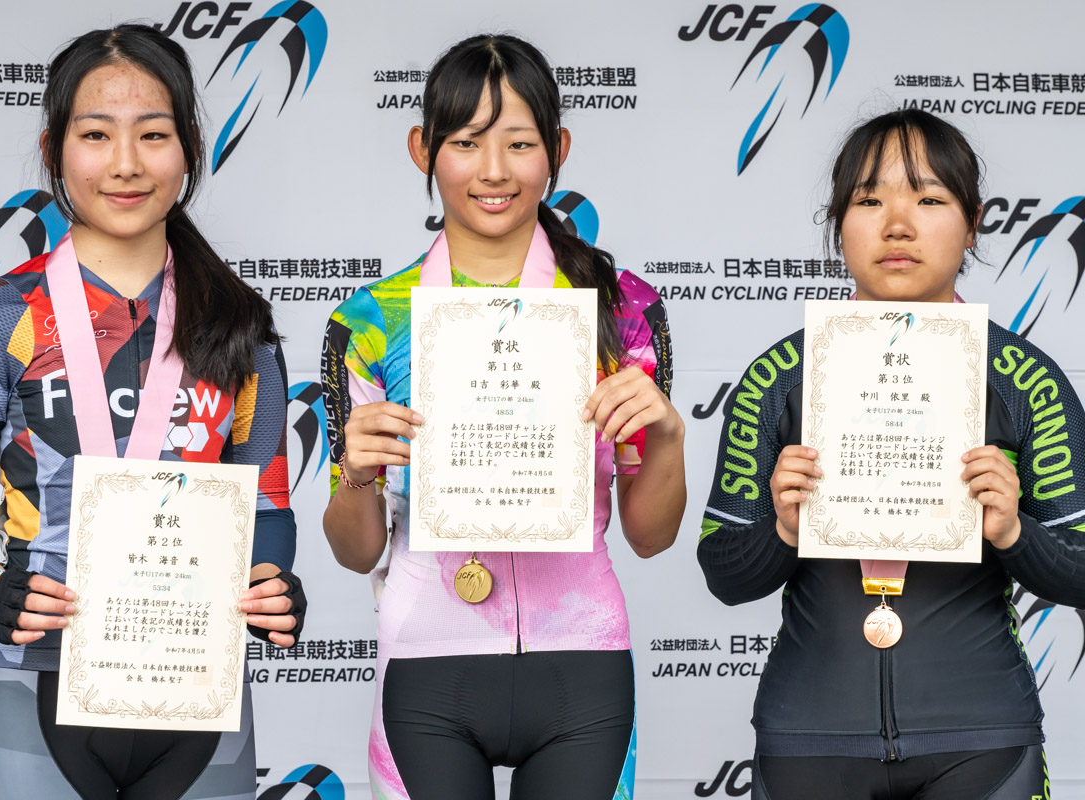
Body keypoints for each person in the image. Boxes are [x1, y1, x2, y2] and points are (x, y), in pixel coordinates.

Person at [0, 24, 304, 800]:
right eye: (96, 135)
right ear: (55, 149)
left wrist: (270, 580)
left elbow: (266, 506)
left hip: (197, 689)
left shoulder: (239, 325)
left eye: (153, 135)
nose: (126, 162)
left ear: (189, 149)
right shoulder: (6, 314)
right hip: (37, 683)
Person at [321, 33, 686, 800]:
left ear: (558, 150)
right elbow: (357, 552)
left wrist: (668, 437)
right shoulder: (371, 321)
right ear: (423, 149)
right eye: (465, 143)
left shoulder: (624, 311)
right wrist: (354, 474)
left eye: (519, 143)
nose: (493, 171)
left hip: (582, 659)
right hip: (426, 662)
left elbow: (650, 536)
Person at [698, 108, 1085, 799]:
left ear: (973, 223)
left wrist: (1012, 532)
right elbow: (725, 573)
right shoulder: (779, 377)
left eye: (929, 200)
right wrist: (783, 530)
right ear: (838, 221)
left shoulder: (1024, 379)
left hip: (980, 740)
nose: (898, 225)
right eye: (869, 200)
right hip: (809, 736)